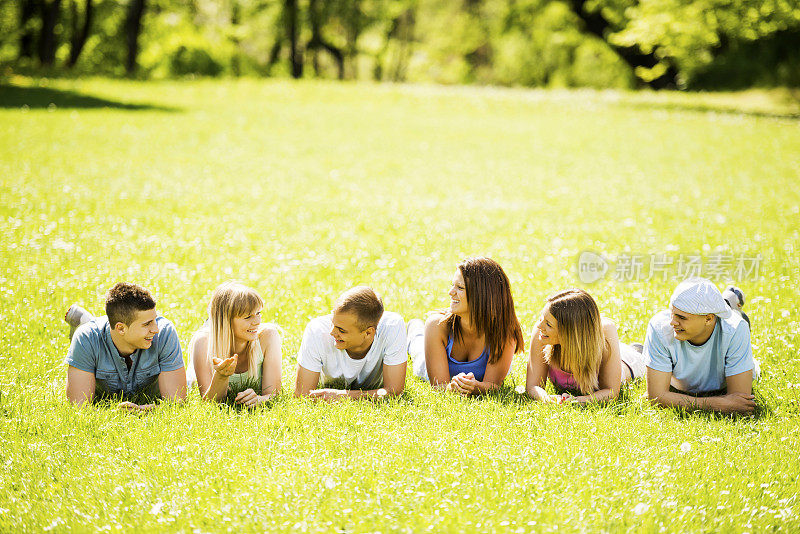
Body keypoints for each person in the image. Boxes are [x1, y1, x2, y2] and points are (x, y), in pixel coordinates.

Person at [407, 257, 524, 396]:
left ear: (483, 296)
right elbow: (439, 387)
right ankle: (413, 327)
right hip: (426, 365)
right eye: (452, 285)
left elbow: (494, 386)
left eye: (460, 287)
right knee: (417, 346)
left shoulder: (504, 333)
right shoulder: (437, 326)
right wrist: (452, 388)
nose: (451, 292)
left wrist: (474, 387)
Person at [644, 277, 760, 414]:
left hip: (725, 337)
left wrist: (673, 399)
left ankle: (729, 306)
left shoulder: (736, 329)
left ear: (709, 318)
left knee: (735, 322)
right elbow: (656, 398)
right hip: (681, 382)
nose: (672, 322)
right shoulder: (659, 327)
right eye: (672, 313)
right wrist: (718, 404)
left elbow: (740, 402)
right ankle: (727, 303)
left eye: (681, 317)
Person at [64, 282, 187, 411]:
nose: (156, 329)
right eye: (147, 324)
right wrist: (115, 413)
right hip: (94, 338)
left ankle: (85, 318)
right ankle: (85, 323)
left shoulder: (165, 333)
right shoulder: (86, 338)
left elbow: (176, 403)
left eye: (155, 320)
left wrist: (142, 410)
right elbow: (78, 407)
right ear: (121, 328)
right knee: (91, 339)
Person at [524, 288, 646, 404]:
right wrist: (546, 398)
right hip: (584, 343)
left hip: (627, 360)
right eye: (541, 318)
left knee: (637, 356)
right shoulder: (542, 333)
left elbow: (611, 392)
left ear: (569, 333)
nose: (540, 326)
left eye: (549, 324)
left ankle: (638, 350)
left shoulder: (605, 333)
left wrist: (575, 401)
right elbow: (533, 386)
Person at [294, 286, 406, 400]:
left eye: (341, 330)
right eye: (332, 323)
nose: (332, 332)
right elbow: (302, 395)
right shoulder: (317, 330)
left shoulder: (392, 327)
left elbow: (394, 391)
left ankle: (415, 332)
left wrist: (342, 396)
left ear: (368, 333)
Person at [187, 282, 282, 407]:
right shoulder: (204, 343)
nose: (257, 322)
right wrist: (221, 376)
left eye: (258, 313)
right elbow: (210, 403)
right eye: (248, 317)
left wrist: (259, 400)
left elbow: (274, 395)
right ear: (226, 321)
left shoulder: (267, 336)